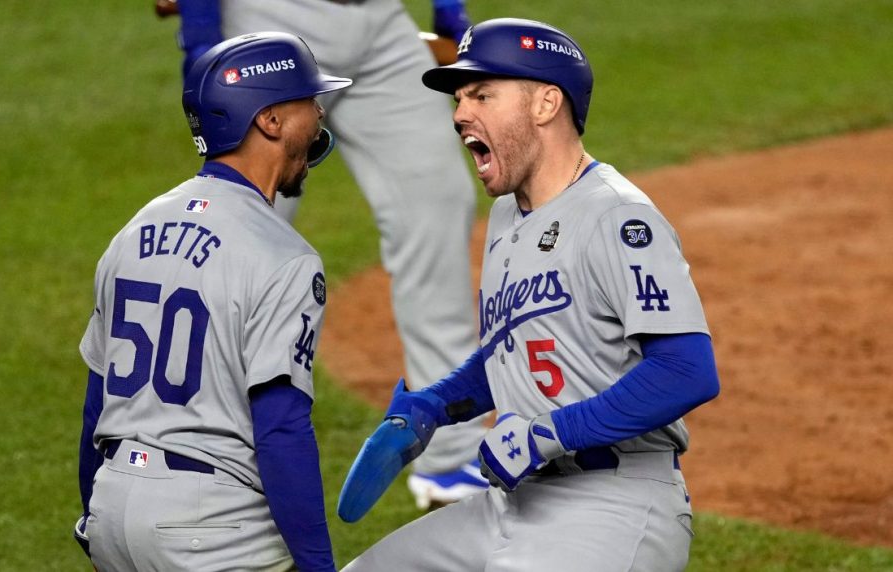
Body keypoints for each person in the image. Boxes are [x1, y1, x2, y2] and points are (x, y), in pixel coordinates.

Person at [337, 18, 721, 571]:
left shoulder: (616, 215)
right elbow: (520, 349)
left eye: (482, 95)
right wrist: (435, 406)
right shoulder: (506, 216)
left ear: (546, 104)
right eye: (460, 98)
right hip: (512, 502)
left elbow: (687, 371)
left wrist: (547, 435)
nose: (460, 114)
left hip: (612, 505)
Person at [161, 0, 491, 509]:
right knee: (239, 226)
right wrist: (202, 41)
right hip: (272, 21)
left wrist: (449, 10)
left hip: (383, 27)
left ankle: (449, 454)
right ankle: (189, 448)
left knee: (437, 200)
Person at [72, 32, 351, 571]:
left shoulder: (133, 230)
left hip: (113, 505)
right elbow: (281, 428)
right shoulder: (284, 256)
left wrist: (100, 517)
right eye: (307, 102)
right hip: (210, 528)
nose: (319, 115)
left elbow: (95, 405)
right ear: (269, 120)